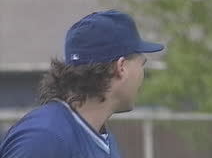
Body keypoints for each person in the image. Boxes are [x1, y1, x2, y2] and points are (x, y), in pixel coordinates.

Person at [0, 10, 164, 158]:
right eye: (141, 64)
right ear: (121, 67)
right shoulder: (44, 138)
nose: (142, 74)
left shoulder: (101, 136)